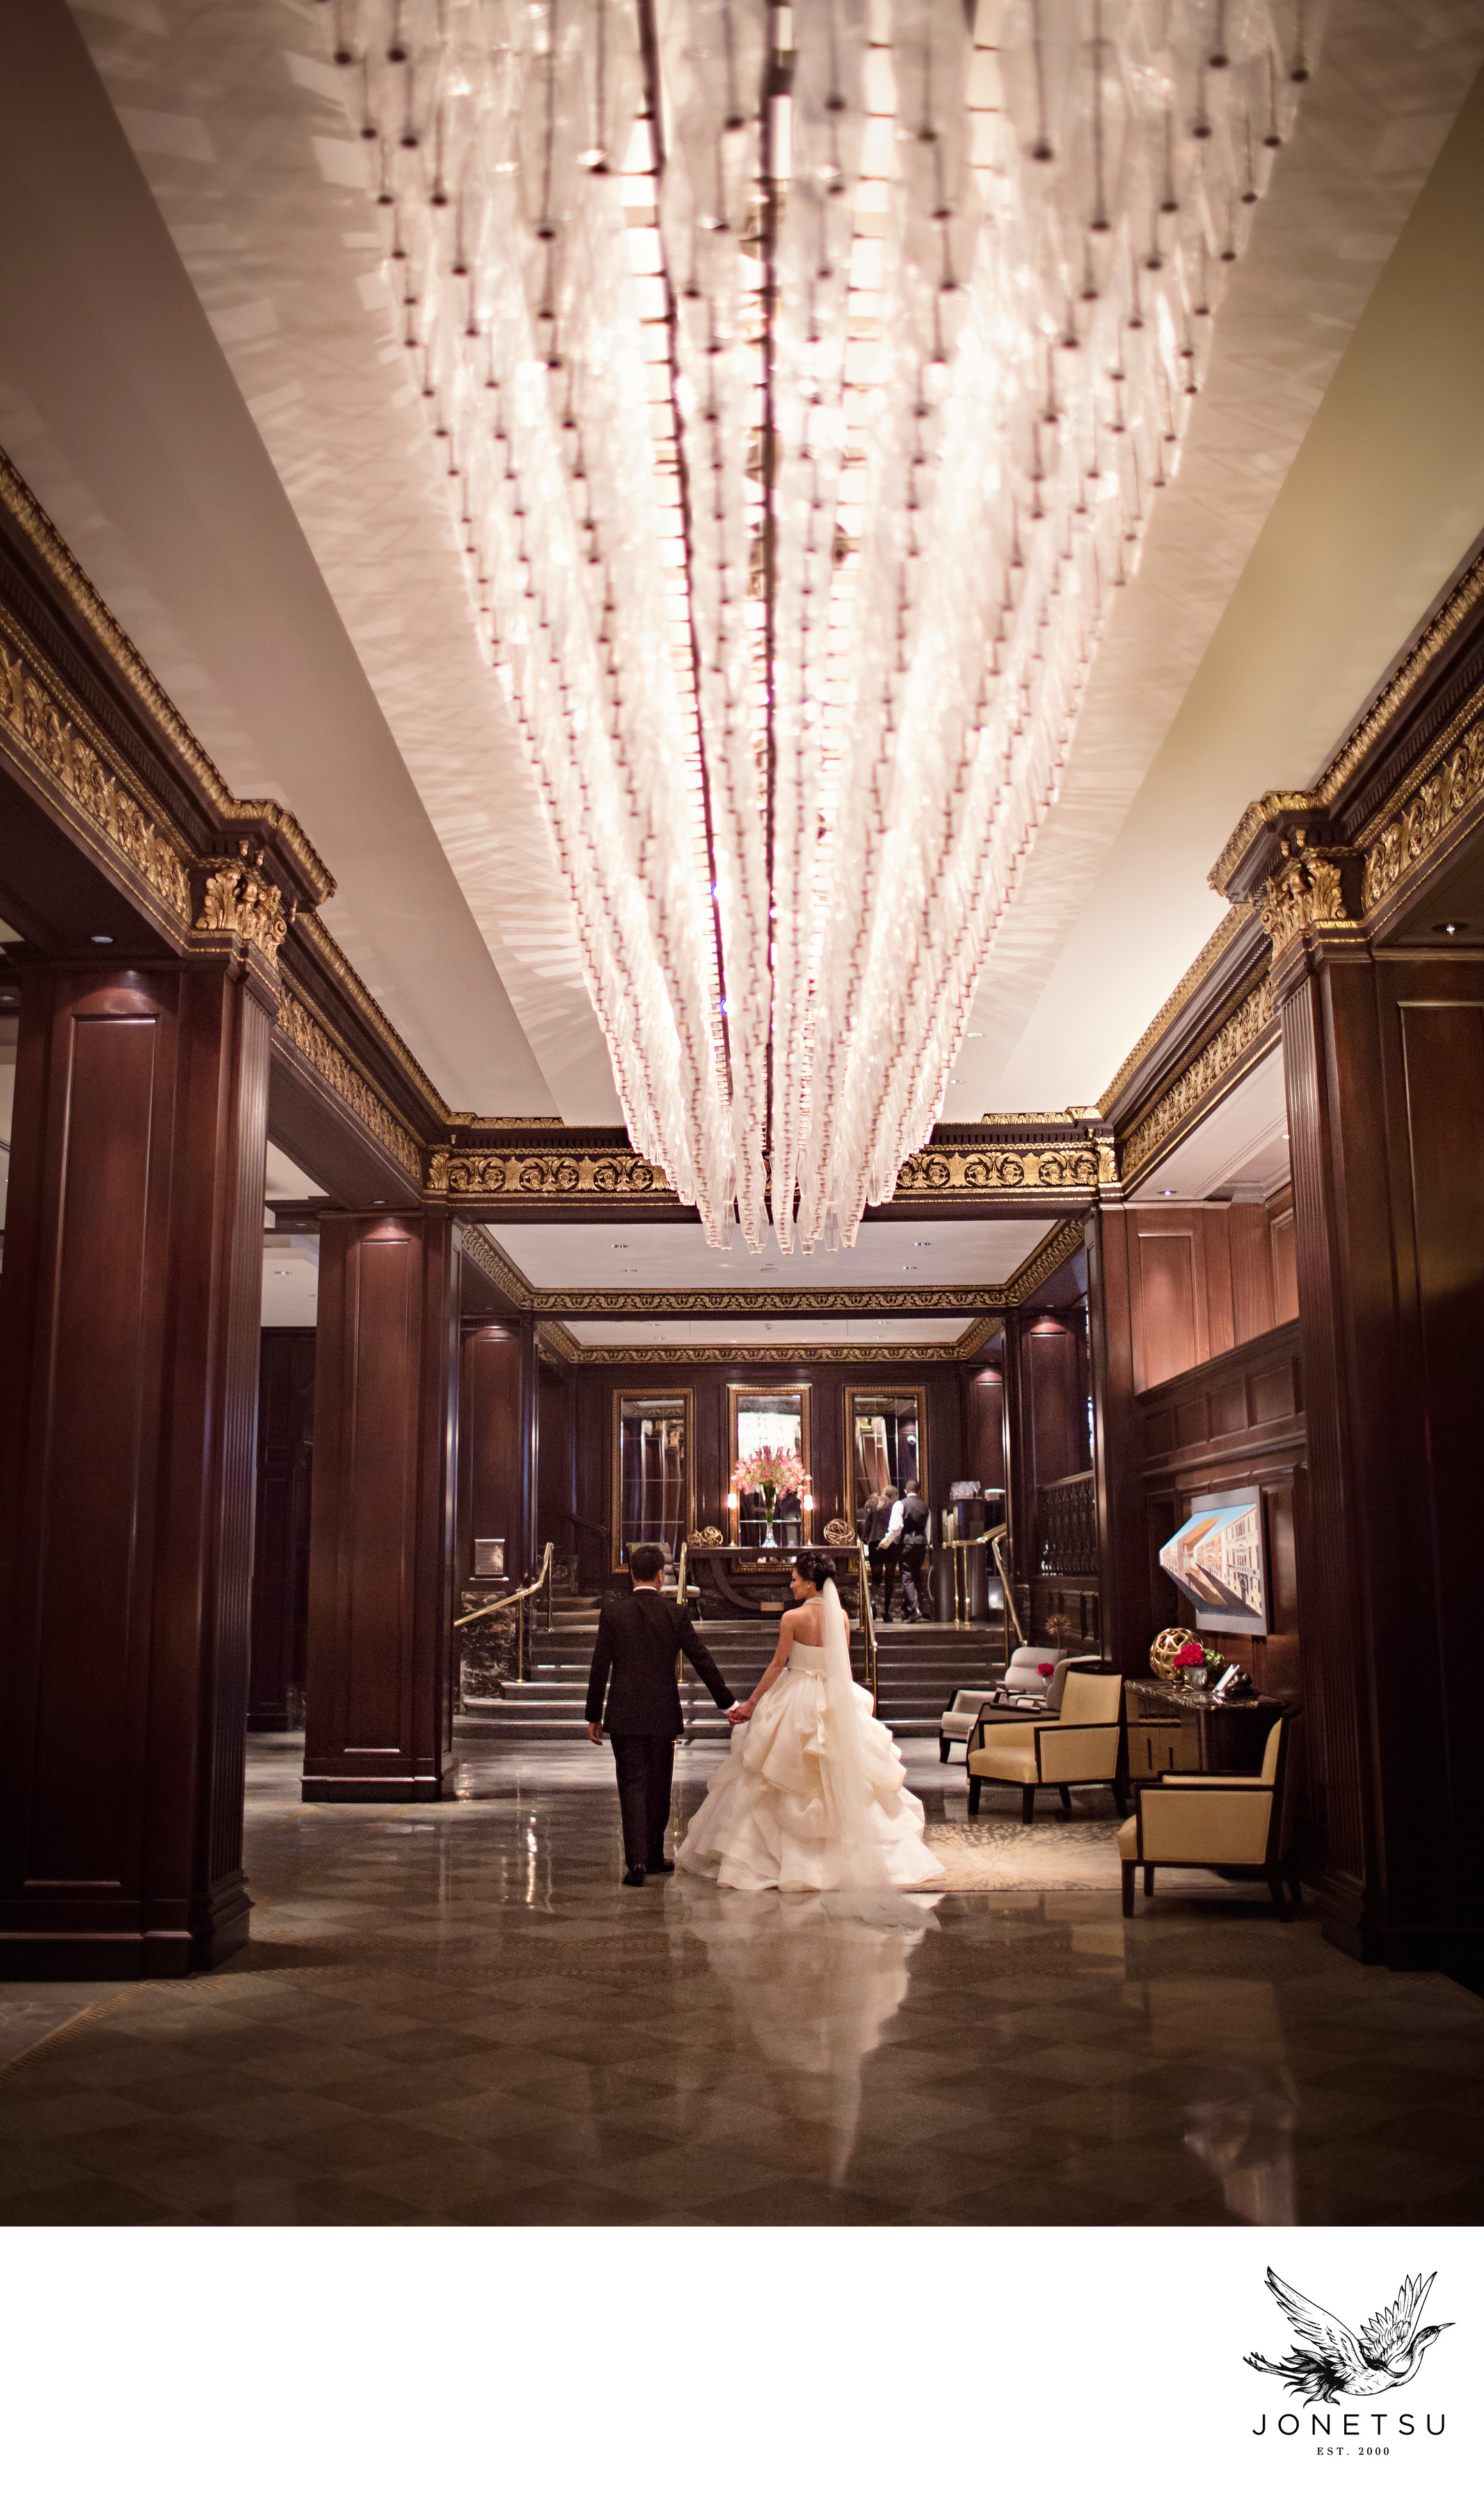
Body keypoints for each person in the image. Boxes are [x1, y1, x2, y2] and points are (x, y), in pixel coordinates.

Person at [675, 1554, 944, 1894]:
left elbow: (777, 1665)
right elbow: (841, 1664)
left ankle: (782, 1861)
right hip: (833, 1694)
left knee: (779, 1771)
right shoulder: (842, 1617)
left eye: (794, 1578)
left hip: (797, 1694)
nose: (790, 1584)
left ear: (810, 1582)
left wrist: (752, 1704)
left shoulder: (793, 1617)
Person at [586, 1543, 739, 1888]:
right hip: (661, 1712)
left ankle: (636, 1862)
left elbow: (600, 1667)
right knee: (659, 1785)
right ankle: (654, 1855)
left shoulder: (613, 1613)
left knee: (631, 1785)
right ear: (660, 1576)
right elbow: (702, 1659)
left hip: (624, 1713)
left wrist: (593, 1714)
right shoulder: (676, 1614)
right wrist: (727, 1704)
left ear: (631, 1575)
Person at [894, 1478, 932, 1621]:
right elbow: (928, 1529)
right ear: (919, 1491)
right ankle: (915, 1608)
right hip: (921, 1544)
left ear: (905, 1491)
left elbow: (896, 1528)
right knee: (917, 1576)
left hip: (907, 1544)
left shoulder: (900, 1504)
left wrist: (887, 1542)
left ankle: (915, 1610)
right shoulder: (925, 1506)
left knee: (907, 1577)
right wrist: (926, 1543)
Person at [863, 1481, 897, 1620]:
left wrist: (865, 1541)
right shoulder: (894, 1508)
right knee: (889, 1580)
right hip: (890, 1544)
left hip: (874, 1544)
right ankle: (887, 1612)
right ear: (893, 1496)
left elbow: (867, 1529)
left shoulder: (874, 1507)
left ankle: (872, 1605)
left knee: (876, 1580)